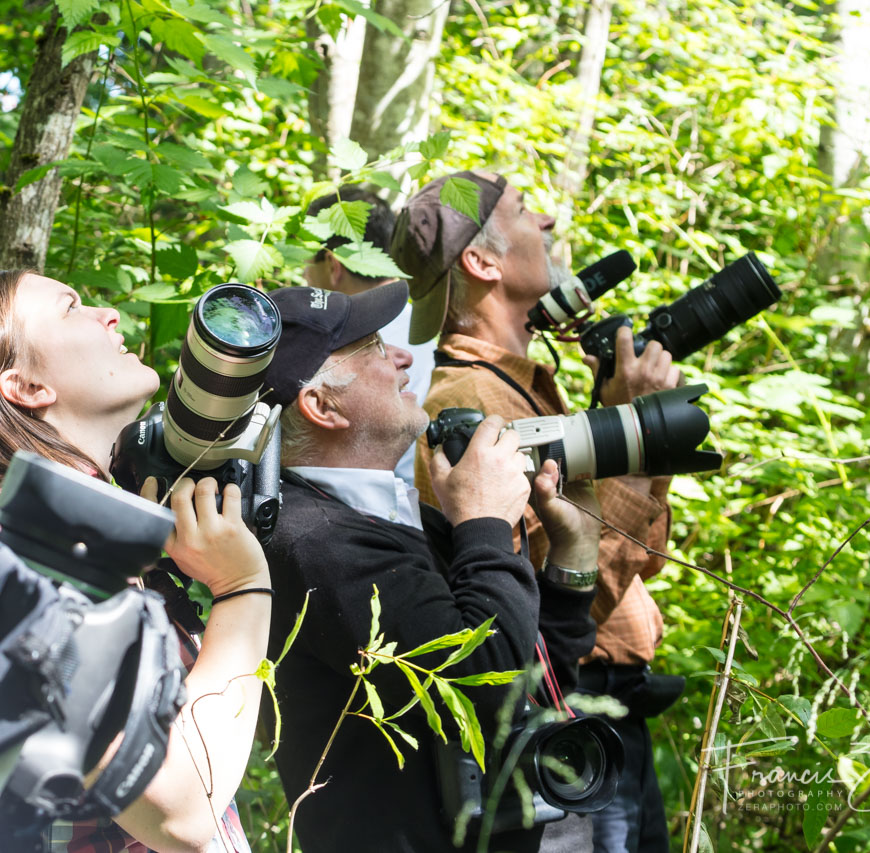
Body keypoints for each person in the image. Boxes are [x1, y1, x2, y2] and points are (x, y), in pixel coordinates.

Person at [0, 269, 271, 853]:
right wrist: (242, 587)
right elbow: (180, 810)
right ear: (24, 386)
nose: (109, 314)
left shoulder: (62, 531)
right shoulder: (11, 538)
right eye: (71, 307)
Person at [255, 282, 602, 853]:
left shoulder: (393, 518)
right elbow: (482, 687)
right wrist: (485, 524)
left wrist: (574, 556)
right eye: (371, 348)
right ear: (321, 406)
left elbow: (534, 691)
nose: (403, 355)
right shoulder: (313, 541)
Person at [392, 171, 682, 853]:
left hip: (614, 707)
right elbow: (564, 600)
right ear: (481, 261)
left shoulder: (523, 388)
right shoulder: (466, 404)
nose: (548, 221)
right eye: (525, 211)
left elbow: (642, 556)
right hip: (566, 713)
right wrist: (636, 440)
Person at [303, 186, 436, 486]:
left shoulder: (345, 350)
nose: (304, 275)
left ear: (333, 266)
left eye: (307, 262)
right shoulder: (427, 326)